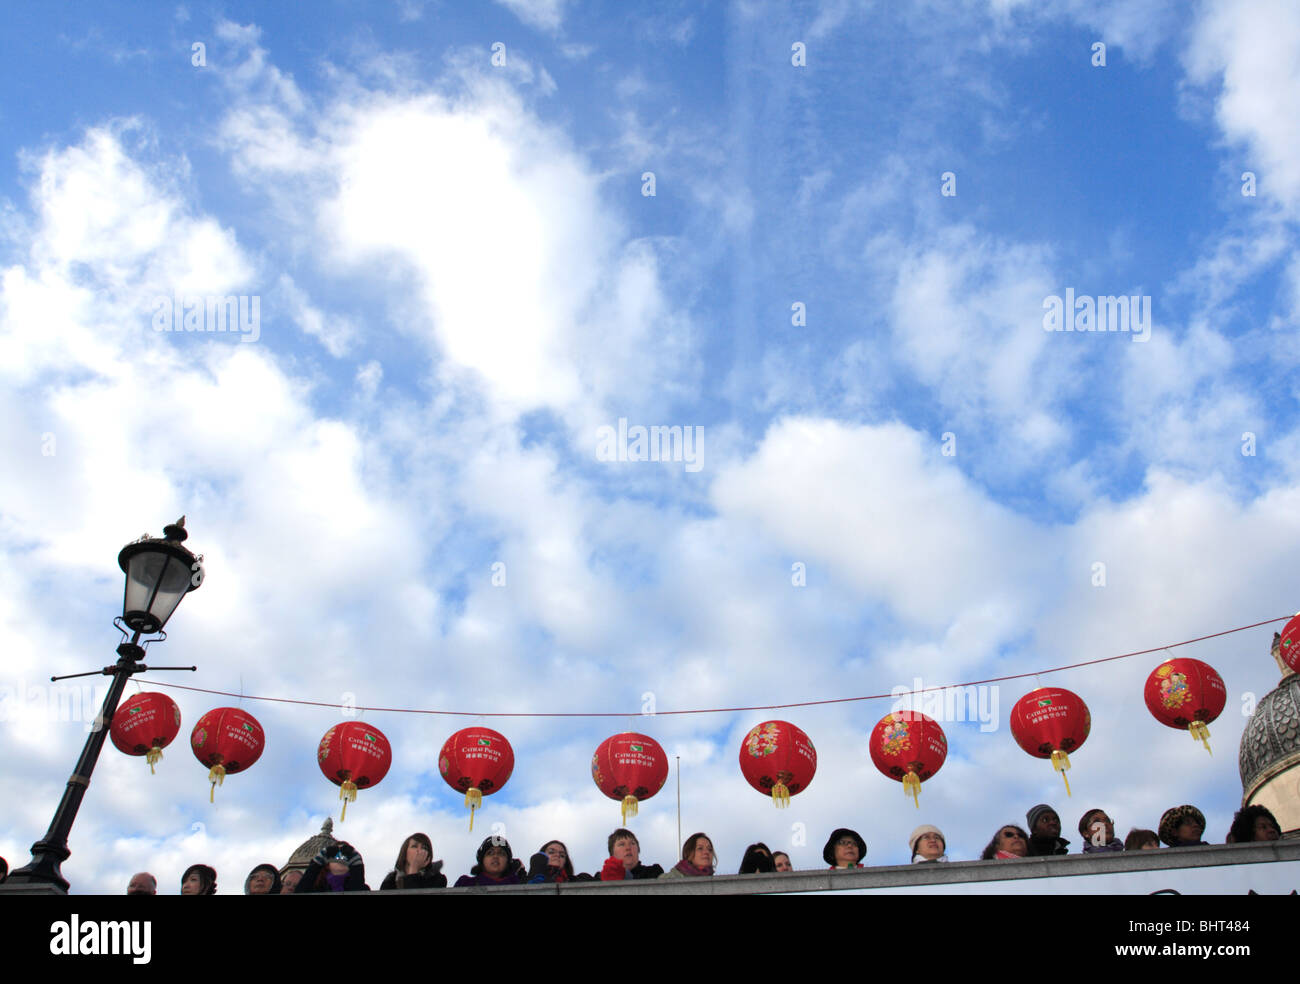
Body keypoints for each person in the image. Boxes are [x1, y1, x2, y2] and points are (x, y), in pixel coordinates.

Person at [380, 833, 447, 890]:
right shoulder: (390, 880)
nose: (419, 850)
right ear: (405, 852)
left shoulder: (438, 879)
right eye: (414, 846)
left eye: (424, 848)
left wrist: (413, 869)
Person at [297, 841, 370, 892]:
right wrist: (318, 860)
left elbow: (357, 888)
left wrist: (356, 863)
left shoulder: (362, 888)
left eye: (345, 855)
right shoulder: (317, 887)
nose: (340, 858)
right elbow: (301, 889)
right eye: (336, 854)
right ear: (328, 864)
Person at [455, 837, 526, 887]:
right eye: (490, 853)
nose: (495, 856)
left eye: (501, 853)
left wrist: (522, 875)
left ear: (508, 861)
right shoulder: (465, 883)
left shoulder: (518, 884)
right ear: (482, 860)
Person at [597, 828, 663, 880]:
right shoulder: (600, 878)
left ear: (638, 850)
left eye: (632, 843)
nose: (628, 848)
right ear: (612, 852)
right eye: (622, 844)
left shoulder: (654, 873)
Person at [527, 840, 592, 882]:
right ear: (541, 856)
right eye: (551, 852)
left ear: (565, 862)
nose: (557, 855)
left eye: (562, 855)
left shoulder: (579, 880)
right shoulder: (525, 880)